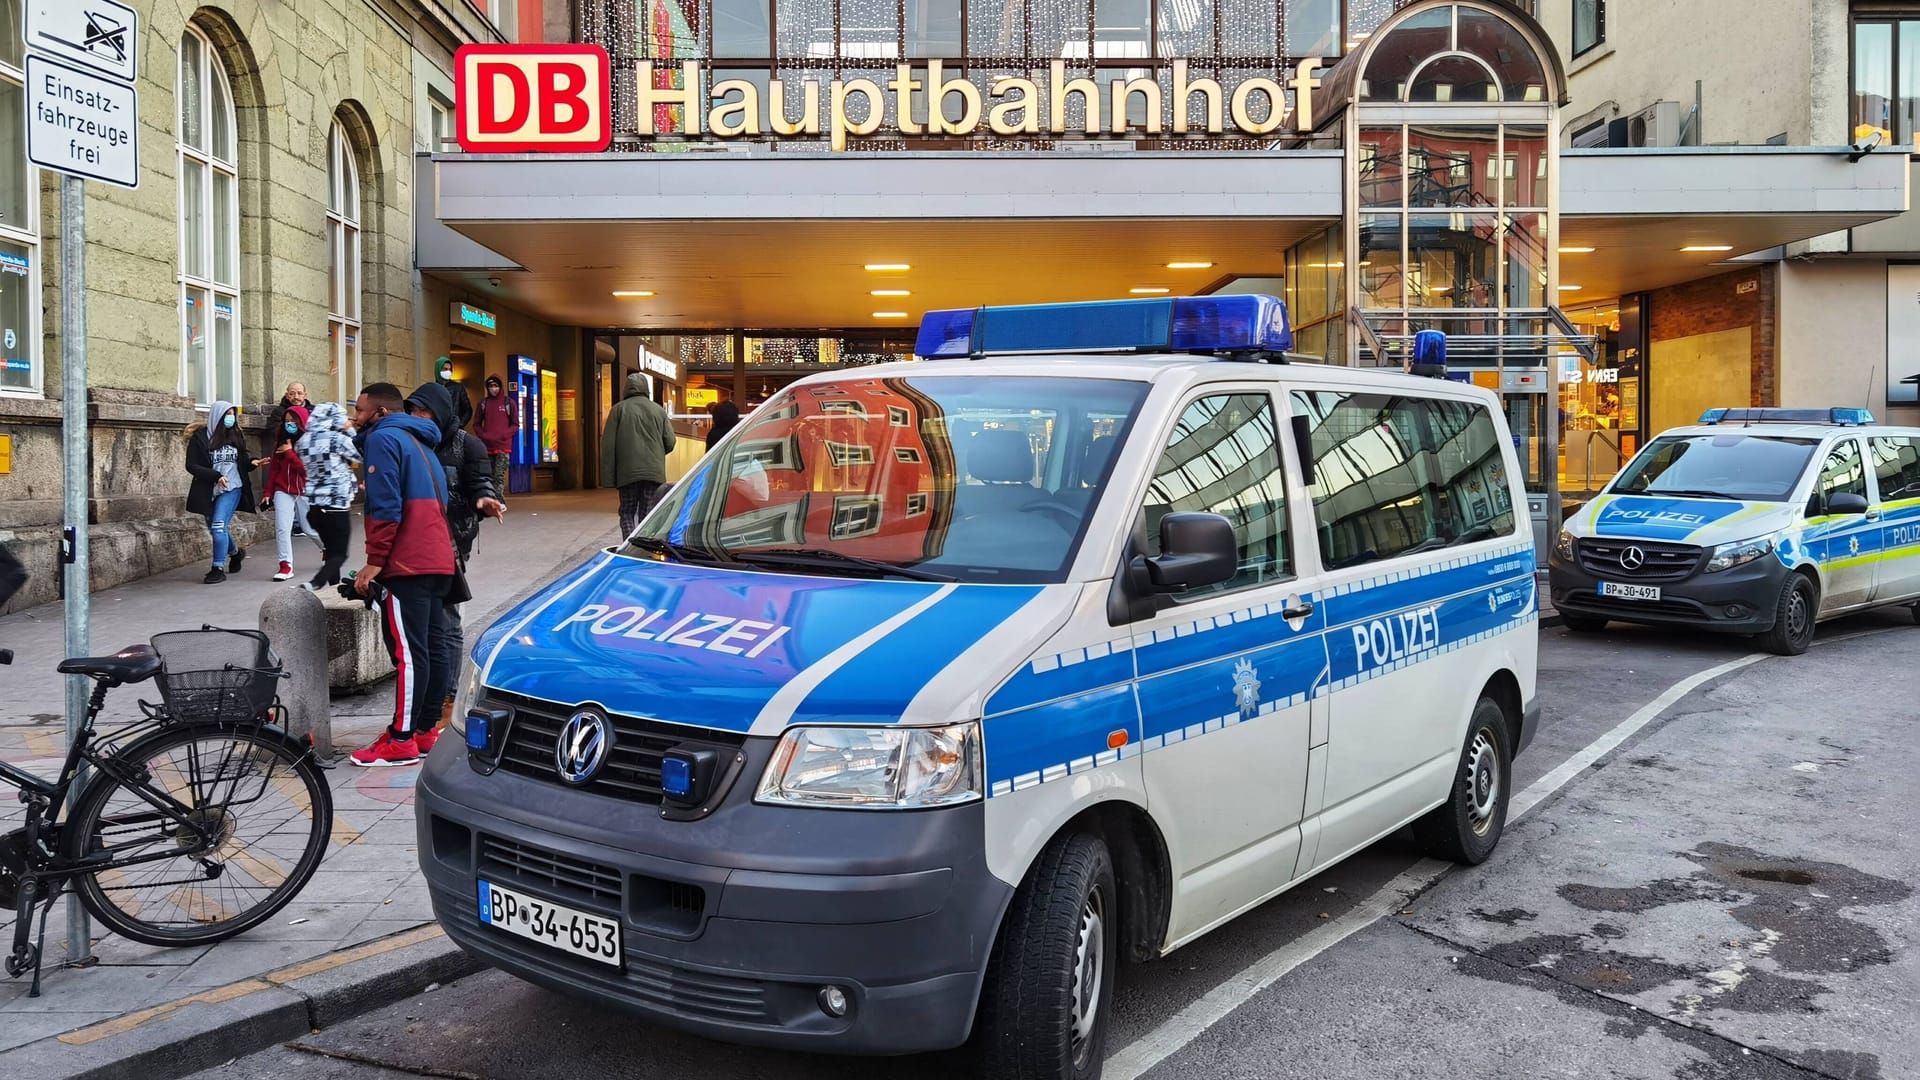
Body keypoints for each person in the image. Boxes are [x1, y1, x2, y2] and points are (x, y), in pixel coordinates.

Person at [347, 382, 456, 768]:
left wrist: (374, 562)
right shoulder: (422, 442)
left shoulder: (383, 440)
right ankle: (425, 730)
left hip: (407, 561)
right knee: (433, 647)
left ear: (380, 412)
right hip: (438, 557)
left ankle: (401, 738)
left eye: (359, 411)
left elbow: (387, 506)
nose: (354, 418)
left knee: (409, 654)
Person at [407, 382, 506, 732]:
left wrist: (482, 499)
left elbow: (480, 481)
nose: (418, 417)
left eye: (424, 410)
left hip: (451, 540)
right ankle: (426, 700)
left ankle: (447, 697)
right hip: (416, 540)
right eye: (413, 410)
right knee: (427, 623)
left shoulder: (467, 445)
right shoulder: (412, 440)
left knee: (448, 620)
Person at [185, 401, 256, 584]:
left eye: (232, 414)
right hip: (208, 489)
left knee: (218, 526)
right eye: (227, 414)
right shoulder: (200, 438)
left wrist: (253, 462)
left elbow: (242, 461)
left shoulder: (235, 435)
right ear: (217, 416)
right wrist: (215, 476)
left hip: (231, 488)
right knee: (216, 528)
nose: (231, 418)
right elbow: (191, 465)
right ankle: (235, 553)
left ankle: (217, 568)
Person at [295, 401, 360, 591]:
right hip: (336, 506)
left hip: (314, 507)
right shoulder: (337, 439)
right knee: (340, 554)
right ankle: (316, 582)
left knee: (331, 552)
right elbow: (360, 455)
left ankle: (334, 590)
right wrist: (349, 430)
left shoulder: (303, 441)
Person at [601, 373, 676, 536]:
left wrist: (608, 479)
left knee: (627, 513)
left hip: (627, 474)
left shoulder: (618, 410)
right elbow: (670, 442)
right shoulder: (658, 410)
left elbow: (608, 446)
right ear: (646, 389)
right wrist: (655, 455)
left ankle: (630, 546)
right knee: (647, 514)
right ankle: (643, 547)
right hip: (653, 473)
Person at [260, 404, 311, 581]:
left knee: (309, 528)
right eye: (286, 421)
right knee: (282, 528)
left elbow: (307, 470)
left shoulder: (310, 442)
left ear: (302, 422)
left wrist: (290, 453)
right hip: (283, 490)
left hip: (304, 490)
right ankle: (285, 565)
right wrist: (268, 492)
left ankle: (328, 550)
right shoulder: (280, 441)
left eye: (293, 421)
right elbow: (274, 469)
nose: (289, 424)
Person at [473, 373, 517, 497]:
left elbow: (515, 424)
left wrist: (505, 435)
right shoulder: (483, 404)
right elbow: (476, 424)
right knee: (489, 474)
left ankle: (498, 499)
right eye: (491, 386)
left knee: (499, 474)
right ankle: (492, 498)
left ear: (500, 387)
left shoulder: (509, 403)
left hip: (503, 447)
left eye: (496, 386)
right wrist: (483, 435)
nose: (493, 388)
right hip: (487, 446)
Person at [434, 357, 474, 430]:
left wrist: (459, 425)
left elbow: (468, 410)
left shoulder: (458, 388)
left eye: (450, 369)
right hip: (437, 429)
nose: (448, 372)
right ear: (438, 370)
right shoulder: (432, 388)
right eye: (445, 369)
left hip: (453, 430)